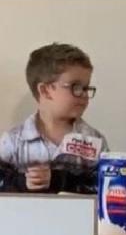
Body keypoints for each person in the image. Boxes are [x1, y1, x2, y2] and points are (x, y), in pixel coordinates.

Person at [0, 42, 108, 194]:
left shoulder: (95, 141)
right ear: (45, 90)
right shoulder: (13, 141)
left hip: (76, 218)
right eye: (75, 87)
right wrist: (22, 182)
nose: (83, 94)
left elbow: (106, 190)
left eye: (86, 87)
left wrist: (59, 180)